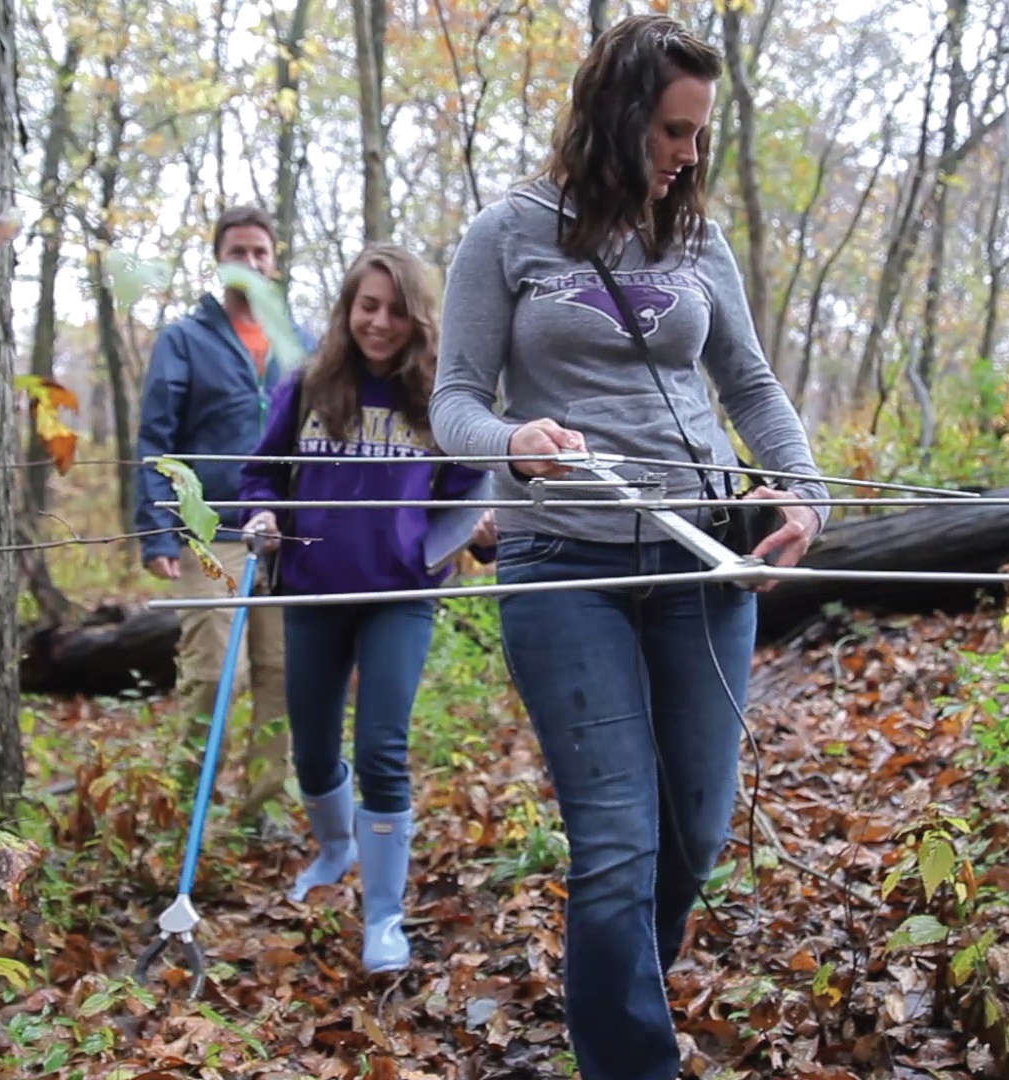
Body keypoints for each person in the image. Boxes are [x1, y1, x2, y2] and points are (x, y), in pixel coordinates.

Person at [427, 15, 830, 1078]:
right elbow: (455, 403)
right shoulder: (506, 232)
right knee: (615, 848)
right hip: (565, 564)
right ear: (613, 119)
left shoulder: (696, 238)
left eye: (698, 134)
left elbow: (749, 384)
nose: (686, 155)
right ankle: (630, 1061)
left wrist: (805, 490)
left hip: (704, 556)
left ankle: (617, 1001)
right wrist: (514, 440)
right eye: (669, 132)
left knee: (693, 836)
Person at [238, 244, 497, 973]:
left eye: (394, 309)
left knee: (383, 748)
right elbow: (260, 475)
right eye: (366, 306)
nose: (378, 323)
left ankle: (383, 917)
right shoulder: (308, 385)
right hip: (315, 589)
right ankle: (333, 849)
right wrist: (261, 519)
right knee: (313, 748)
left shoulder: (441, 399)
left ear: (418, 317)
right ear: (348, 308)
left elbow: (471, 499)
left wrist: (459, 544)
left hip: (399, 596)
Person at [134, 205, 318, 823]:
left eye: (260, 253)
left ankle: (260, 812)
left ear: (275, 262)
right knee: (215, 676)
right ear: (220, 262)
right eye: (238, 252)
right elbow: (156, 438)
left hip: (289, 536)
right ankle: (187, 808)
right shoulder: (185, 339)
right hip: (212, 532)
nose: (250, 263)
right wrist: (158, 527)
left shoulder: (303, 344)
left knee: (282, 677)